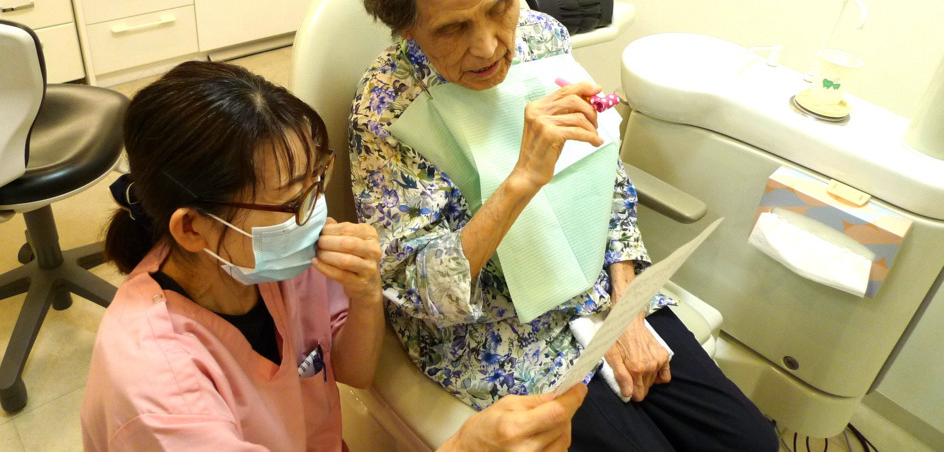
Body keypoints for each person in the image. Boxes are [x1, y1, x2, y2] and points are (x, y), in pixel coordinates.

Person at [349, 0, 779, 451]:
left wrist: (625, 309)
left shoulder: (542, 39)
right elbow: (418, 292)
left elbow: (608, 182)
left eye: (500, 6)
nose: (488, 47)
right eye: (452, 28)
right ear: (407, 27)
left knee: (752, 442)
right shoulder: (387, 106)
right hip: (501, 333)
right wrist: (520, 180)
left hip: (599, 288)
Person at [81, 60, 587, 451]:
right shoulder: (159, 389)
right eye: (292, 200)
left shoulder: (268, 260)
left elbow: (353, 372)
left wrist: (365, 293)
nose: (317, 211)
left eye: (315, 180)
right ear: (193, 227)